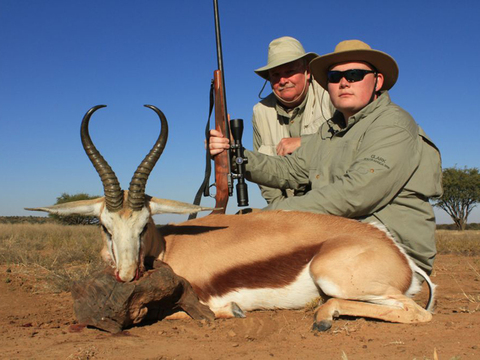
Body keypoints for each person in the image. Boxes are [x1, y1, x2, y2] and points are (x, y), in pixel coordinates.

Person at [209, 40, 442, 275]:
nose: (343, 83)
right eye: (334, 76)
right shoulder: (331, 129)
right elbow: (289, 170)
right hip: (345, 234)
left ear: (377, 81)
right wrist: (234, 154)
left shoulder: (393, 124)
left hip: (393, 249)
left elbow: (356, 194)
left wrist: (271, 216)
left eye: (354, 75)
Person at [252, 36, 333, 204]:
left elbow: (349, 142)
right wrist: (282, 210)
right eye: (275, 74)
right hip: (287, 208)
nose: (282, 81)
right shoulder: (260, 112)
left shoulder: (329, 95)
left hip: (330, 202)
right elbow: (262, 171)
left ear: (308, 72)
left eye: (289, 72)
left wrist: (306, 143)